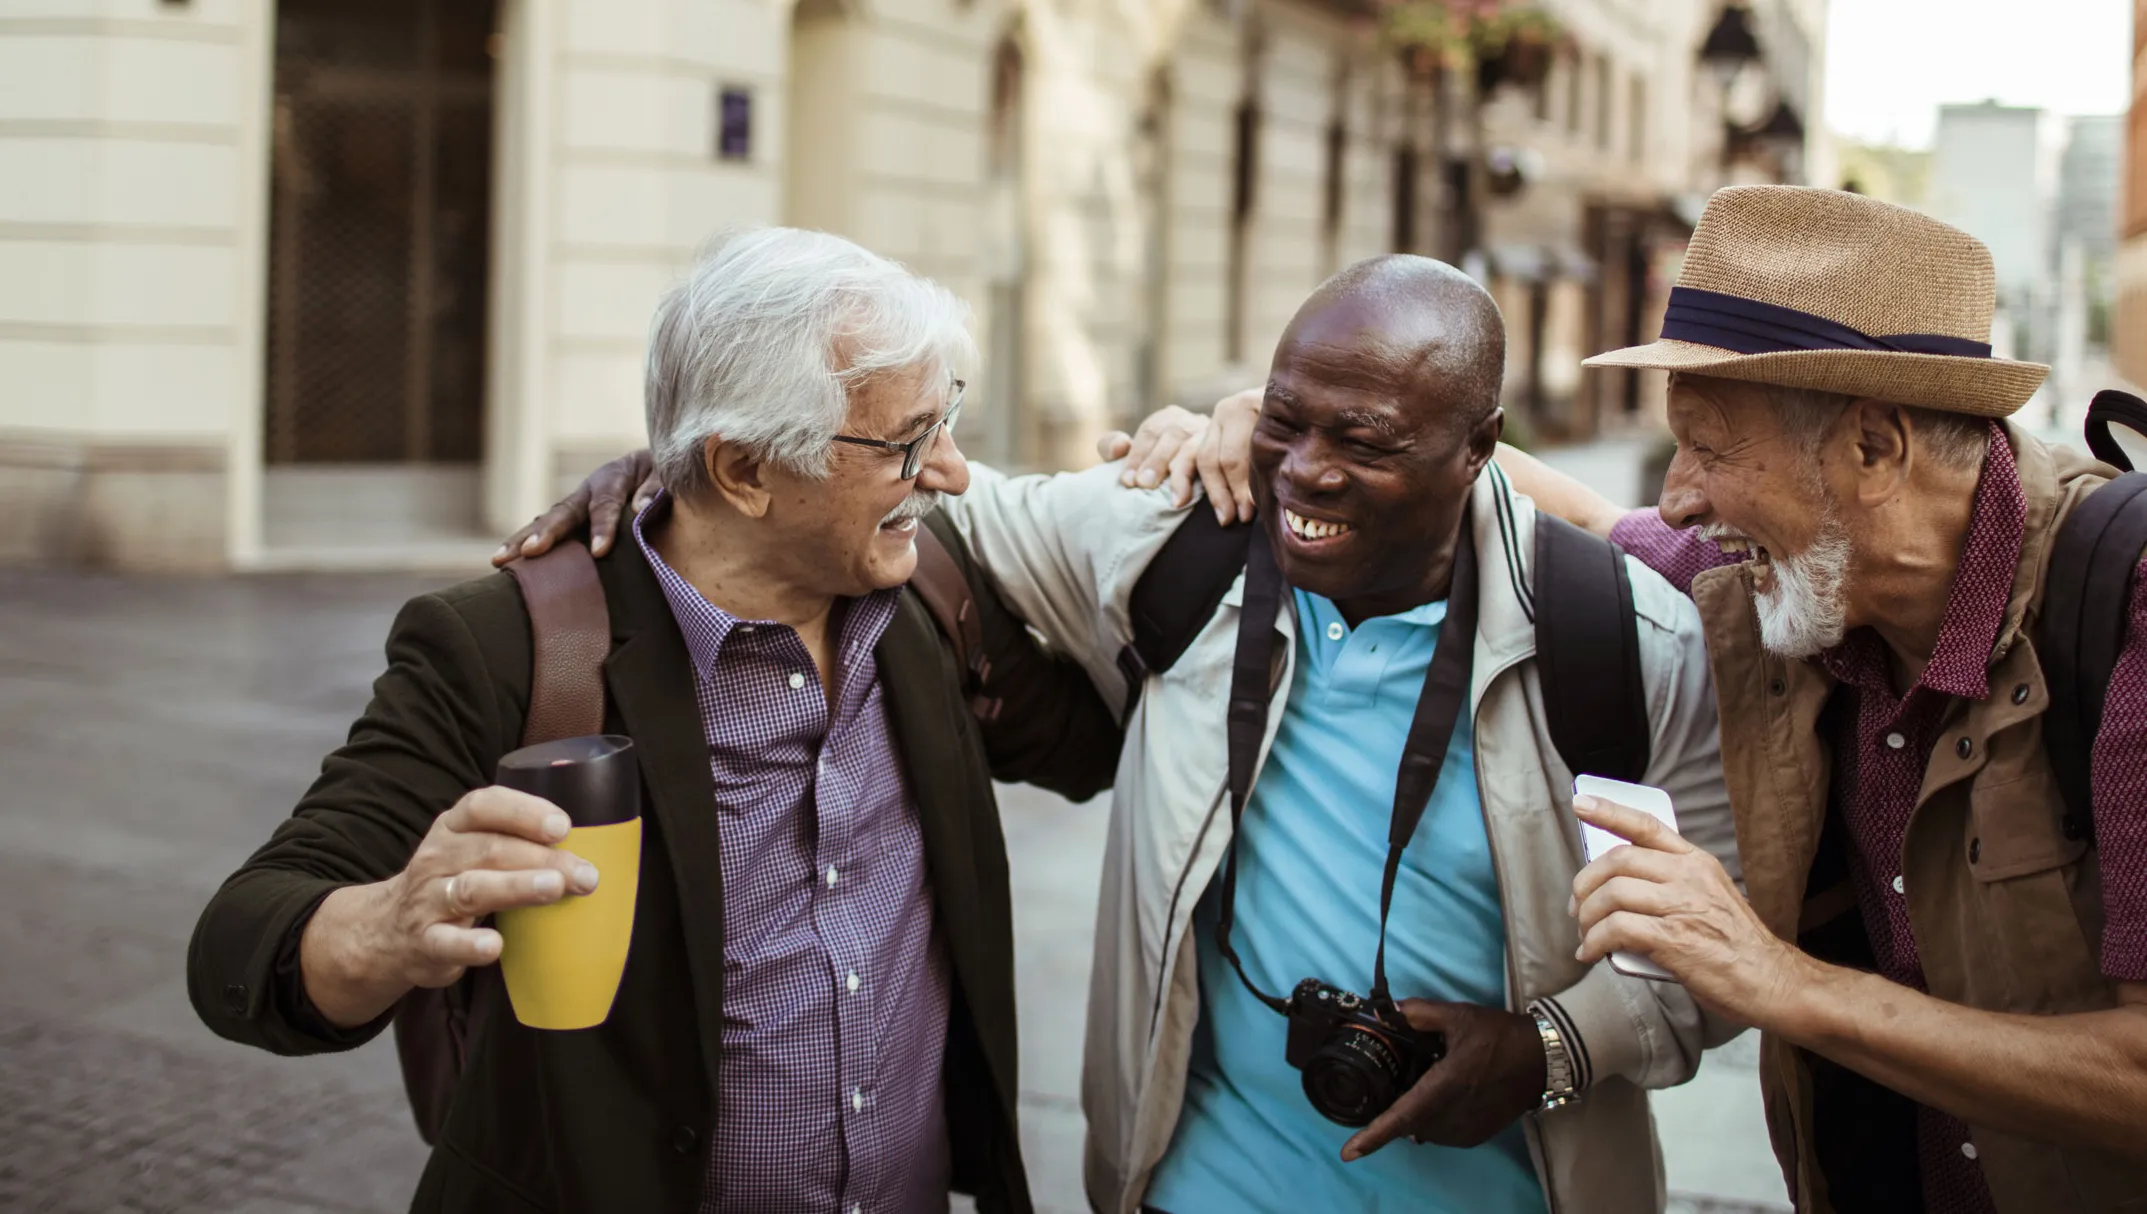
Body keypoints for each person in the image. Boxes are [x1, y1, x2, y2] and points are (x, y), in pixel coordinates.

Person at [525, 255, 1740, 1214]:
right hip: (1188, 1185)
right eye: (1284, 421)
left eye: (1361, 441)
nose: (1301, 475)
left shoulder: (1624, 641)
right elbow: (922, 504)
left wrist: (1547, 1049)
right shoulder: (1180, 529)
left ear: (1481, 452)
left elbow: (1712, 961)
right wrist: (684, 477)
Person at [187, 228, 1125, 1214]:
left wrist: (1218, 458)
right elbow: (240, 945)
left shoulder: (930, 598)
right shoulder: (509, 650)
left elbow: (1105, 742)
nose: (947, 471)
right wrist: (389, 925)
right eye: (903, 441)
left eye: (945, 420)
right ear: (743, 470)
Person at [1488, 186, 2147, 1212]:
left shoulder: (2123, 607)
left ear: (1874, 447)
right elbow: (1583, 515)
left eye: (1708, 445)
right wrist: (1278, 419)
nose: (1676, 494)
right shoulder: (1798, 578)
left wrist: (1778, 980)